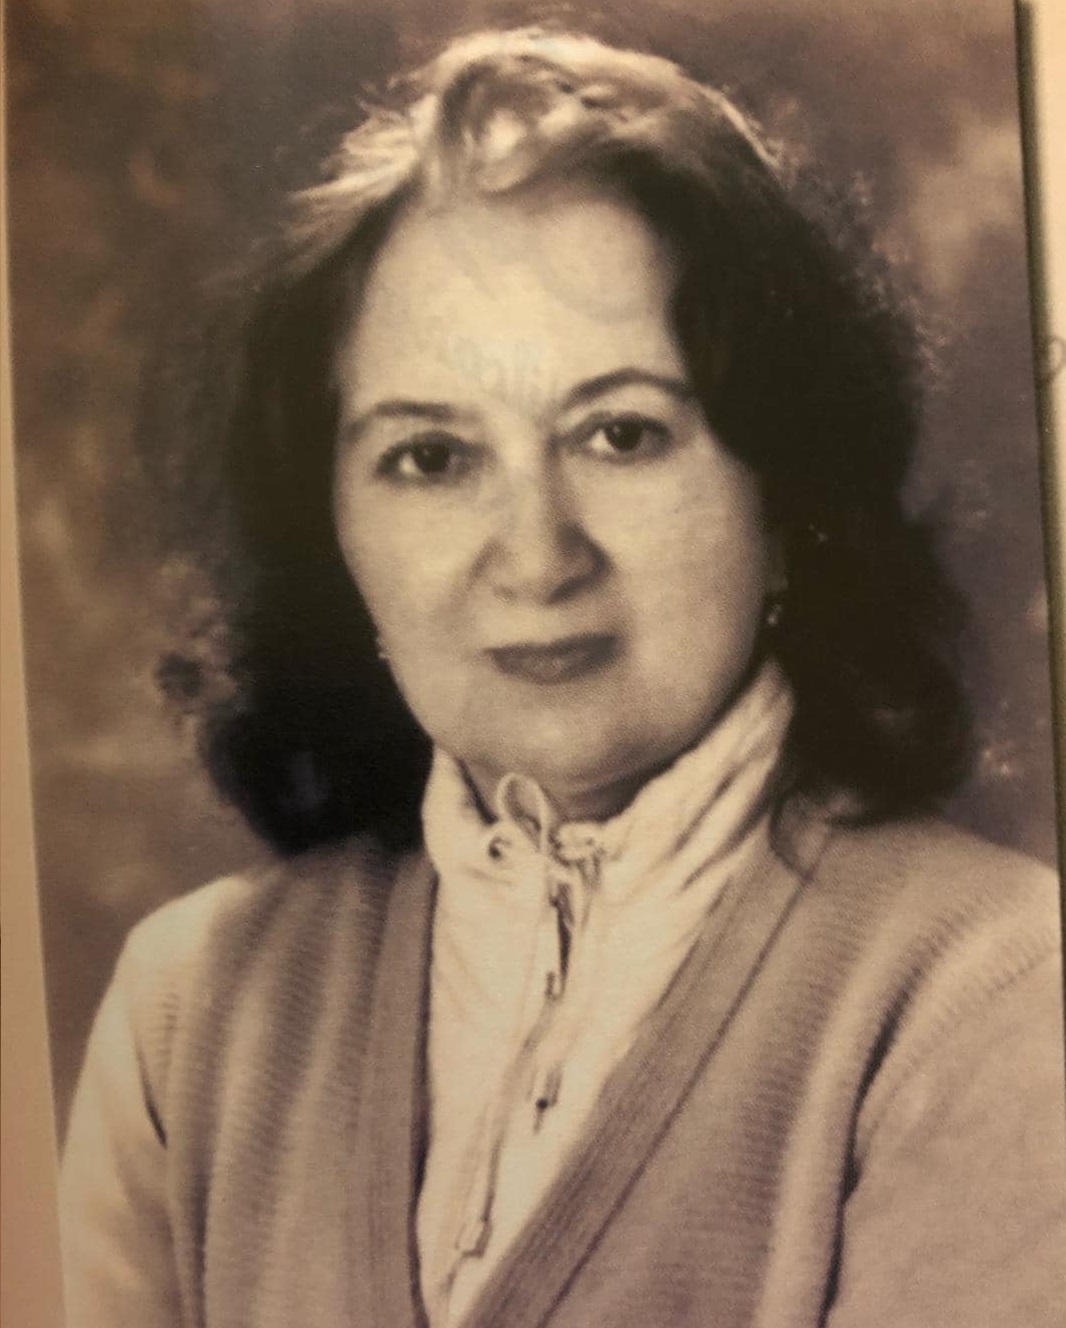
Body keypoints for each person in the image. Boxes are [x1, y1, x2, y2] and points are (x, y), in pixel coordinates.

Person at [58, 26, 1066, 1328]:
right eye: (431, 458)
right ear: (334, 532)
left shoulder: (993, 991)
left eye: (621, 434)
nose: (536, 558)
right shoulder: (187, 1012)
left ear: (783, 493)